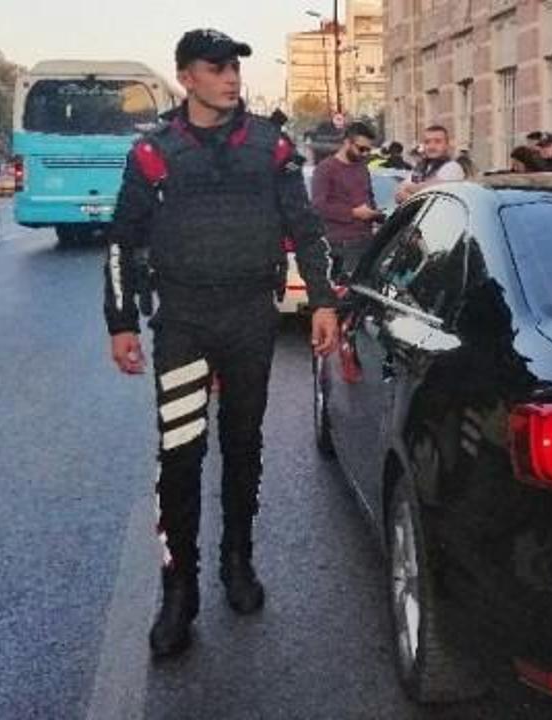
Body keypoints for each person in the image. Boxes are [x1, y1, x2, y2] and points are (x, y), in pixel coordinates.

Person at [103, 28, 339, 660]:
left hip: (248, 321)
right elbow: (124, 241)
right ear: (188, 77)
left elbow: (305, 227)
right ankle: (178, 592)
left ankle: (239, 561)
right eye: (217, 67)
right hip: (182, 322)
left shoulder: (270, 146)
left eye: (235, 65)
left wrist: (322, 300)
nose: (231, 76)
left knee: (243, 447)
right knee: (181, 456)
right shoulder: (155, 154)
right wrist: (121, 322)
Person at [311, 122, 382, 277]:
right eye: (361, 149)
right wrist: (353, 213)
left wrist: (375, 214)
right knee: (346, 295)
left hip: (367, 241)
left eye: (368, 150)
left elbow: (369, 196)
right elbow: (318, 206)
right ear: (347, 142)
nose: (365, 154)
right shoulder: (325, 169)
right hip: (342, 245)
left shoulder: (362, 166)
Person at [393, 124, 466, 203]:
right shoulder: (421, 167)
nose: (431, 146)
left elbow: (432, 191)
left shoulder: (452, 167)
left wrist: (408, 190)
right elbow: (398, 194)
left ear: (447, 145)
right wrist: (412, 191)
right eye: (427, 142)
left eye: (438, 141)